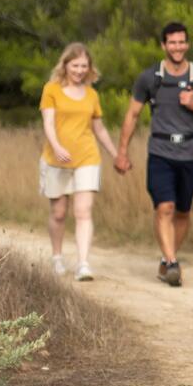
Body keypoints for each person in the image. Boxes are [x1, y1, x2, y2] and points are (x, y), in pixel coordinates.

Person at [117, 22, 193, 287]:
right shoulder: (149, 78)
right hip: (160, 151)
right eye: (172, 43)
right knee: (164, 207)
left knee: (183, 212)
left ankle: (166, 260)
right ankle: (173, 263)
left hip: (190, 151)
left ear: (187, 45)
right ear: (164, 45)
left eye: (181, 42)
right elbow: (132, 115)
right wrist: (122, 152)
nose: (177, 47)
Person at [38, 42, 122, 281]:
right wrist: (57, 146)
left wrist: (116, 154)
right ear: (65, 65)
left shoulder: (92, 94)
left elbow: (99, 128)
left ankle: (83, 263)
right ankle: (57, 257)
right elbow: (48, 123)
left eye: (84, 66)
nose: (79, 70)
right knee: (59, 213)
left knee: (83, 211)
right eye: (75, 65)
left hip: (87, 157)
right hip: (56, 159)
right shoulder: (51, 89)